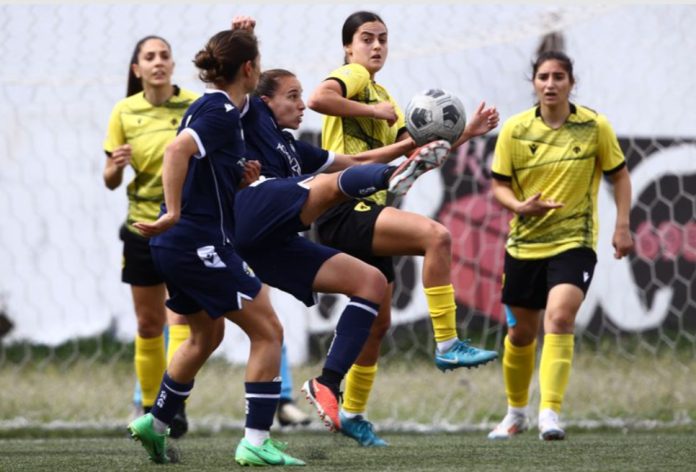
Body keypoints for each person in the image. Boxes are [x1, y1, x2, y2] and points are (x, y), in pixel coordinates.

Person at [307, 11, 500, 446]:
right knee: (437, 236)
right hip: (344, 207)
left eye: (383, 38)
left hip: (364, 207)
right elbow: (318, 98)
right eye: (366, 38)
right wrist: (371, 109)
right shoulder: (354, 76)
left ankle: (352, 412)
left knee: (378, 323)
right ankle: (447, 344)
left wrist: (466, 132)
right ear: (348, 47)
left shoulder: (384, 95)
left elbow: (415, 149)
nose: (376, 46)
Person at [230, 62, 451, 434]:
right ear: (264, 100)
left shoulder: (294, 149)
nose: (302, 105)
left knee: (371, 283)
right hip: (250, 211)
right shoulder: (253, 117)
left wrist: (409, 147)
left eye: (302, 96)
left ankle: (326, 384)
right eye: (292, 96)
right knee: (329, 184)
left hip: (270, 243)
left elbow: (357, 161)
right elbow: (242, 71)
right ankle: (392, 179)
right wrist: (245, 41)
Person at [125, 28, 307, 466]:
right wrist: (172, 211)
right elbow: (176, 151)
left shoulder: (216, 107)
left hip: (177, 246)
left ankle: (156, 422)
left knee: (206, 334)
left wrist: (235, 178)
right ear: (248, 68)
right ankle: (256, 441)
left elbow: (202, 170)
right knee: (268, 331)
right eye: (257, 61)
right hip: (197, 242)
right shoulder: (221, 111)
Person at [487, 51, 633, 441]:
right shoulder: (515, 129)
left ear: (571, 83)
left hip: (574, 242)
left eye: (558, 77)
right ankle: (515, 414)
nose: (550, 84)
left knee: (560, 318)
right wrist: (520, 206)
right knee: (521, 335)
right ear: (534, 83)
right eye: (543, 77)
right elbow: (499, 185)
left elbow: (620, 176)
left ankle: (549, 414)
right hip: (524, 245)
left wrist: (622, 226)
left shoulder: (594, 126)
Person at [103, 35, 195, 438]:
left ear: (173, 65)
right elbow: (109, 180)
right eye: (150, 57)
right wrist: (116, 166)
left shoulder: (193, 105)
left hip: (183, 226)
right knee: (148, 323)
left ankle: (173, 407)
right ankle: (148, 406)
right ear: (136, 69)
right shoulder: (124, 111)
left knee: (182, 317)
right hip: (140, 227)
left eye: (164, 56)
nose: (158, 62)